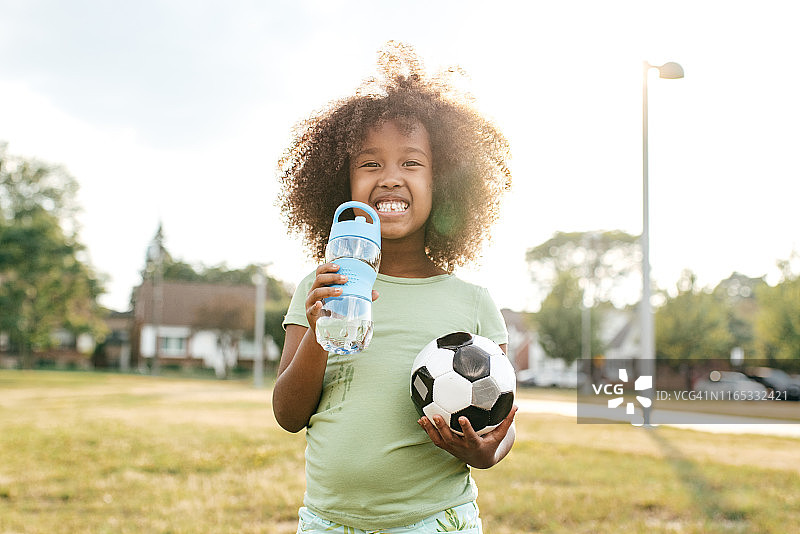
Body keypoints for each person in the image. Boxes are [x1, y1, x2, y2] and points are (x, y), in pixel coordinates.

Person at [272, 41, 515, 534]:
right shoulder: (318, 288)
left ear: (441, 182)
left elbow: (502, 423)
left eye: (411, 163)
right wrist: (320, 332)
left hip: (433, 521)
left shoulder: (472, 302)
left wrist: (487, 452)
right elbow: (288, 414)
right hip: (328, 522)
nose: (389, 178)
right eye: (369, 163)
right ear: (339, 182)